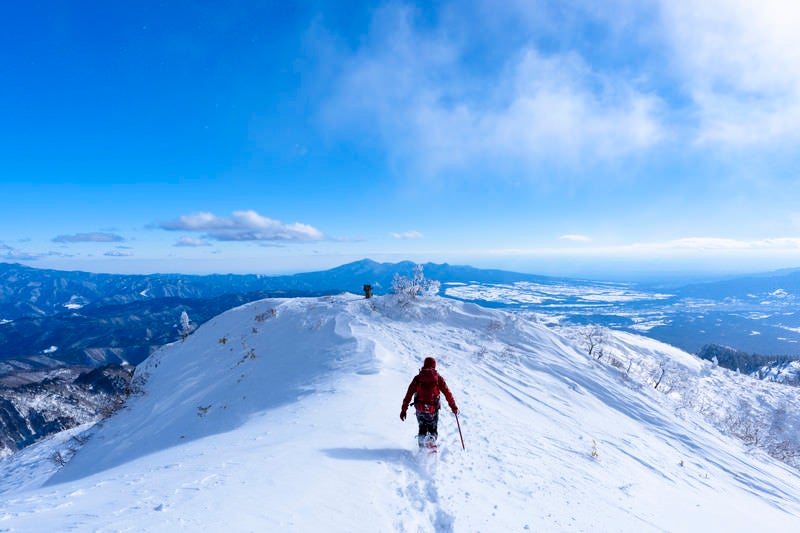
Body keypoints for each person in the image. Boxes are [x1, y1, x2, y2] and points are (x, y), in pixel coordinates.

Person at [400, 357, 458, 448]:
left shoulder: (418, 378)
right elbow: (448, 393)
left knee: (422, 428)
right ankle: (431, 441)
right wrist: (453, 407)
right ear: (434, 365)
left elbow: (408, 394)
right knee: (433, 429)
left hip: (420, 409)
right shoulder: (438, 378)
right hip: (433, 410)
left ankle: (422, 448)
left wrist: (404, 410)